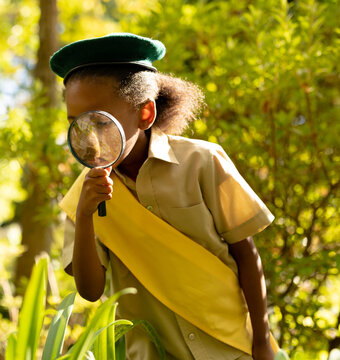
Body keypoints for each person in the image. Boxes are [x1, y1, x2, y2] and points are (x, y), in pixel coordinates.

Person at [50, 33, 277, 360]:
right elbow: (90, 291)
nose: (91, 137)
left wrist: (261, 341)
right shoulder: (82, 196)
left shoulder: (204, 162)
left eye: (100, 121)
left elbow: (246, 254)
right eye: (77, 124)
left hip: (229, 347)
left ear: (145, 114)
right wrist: (85, 216)